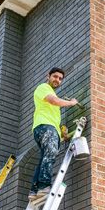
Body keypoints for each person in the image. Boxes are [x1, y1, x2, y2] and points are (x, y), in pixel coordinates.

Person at [28, 67, 78, 201]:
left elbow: (52, 111)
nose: (57, 80)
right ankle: (44, 186)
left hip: (47, 128)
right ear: (48, 76)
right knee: (50, 153)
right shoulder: (43, 87)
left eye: (60, 78)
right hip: (45, 127)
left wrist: (62, 134)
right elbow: (53, 101)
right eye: (55, 76)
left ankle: (34, 190)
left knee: (45, 157)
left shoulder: (52, 94)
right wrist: (71, 103)